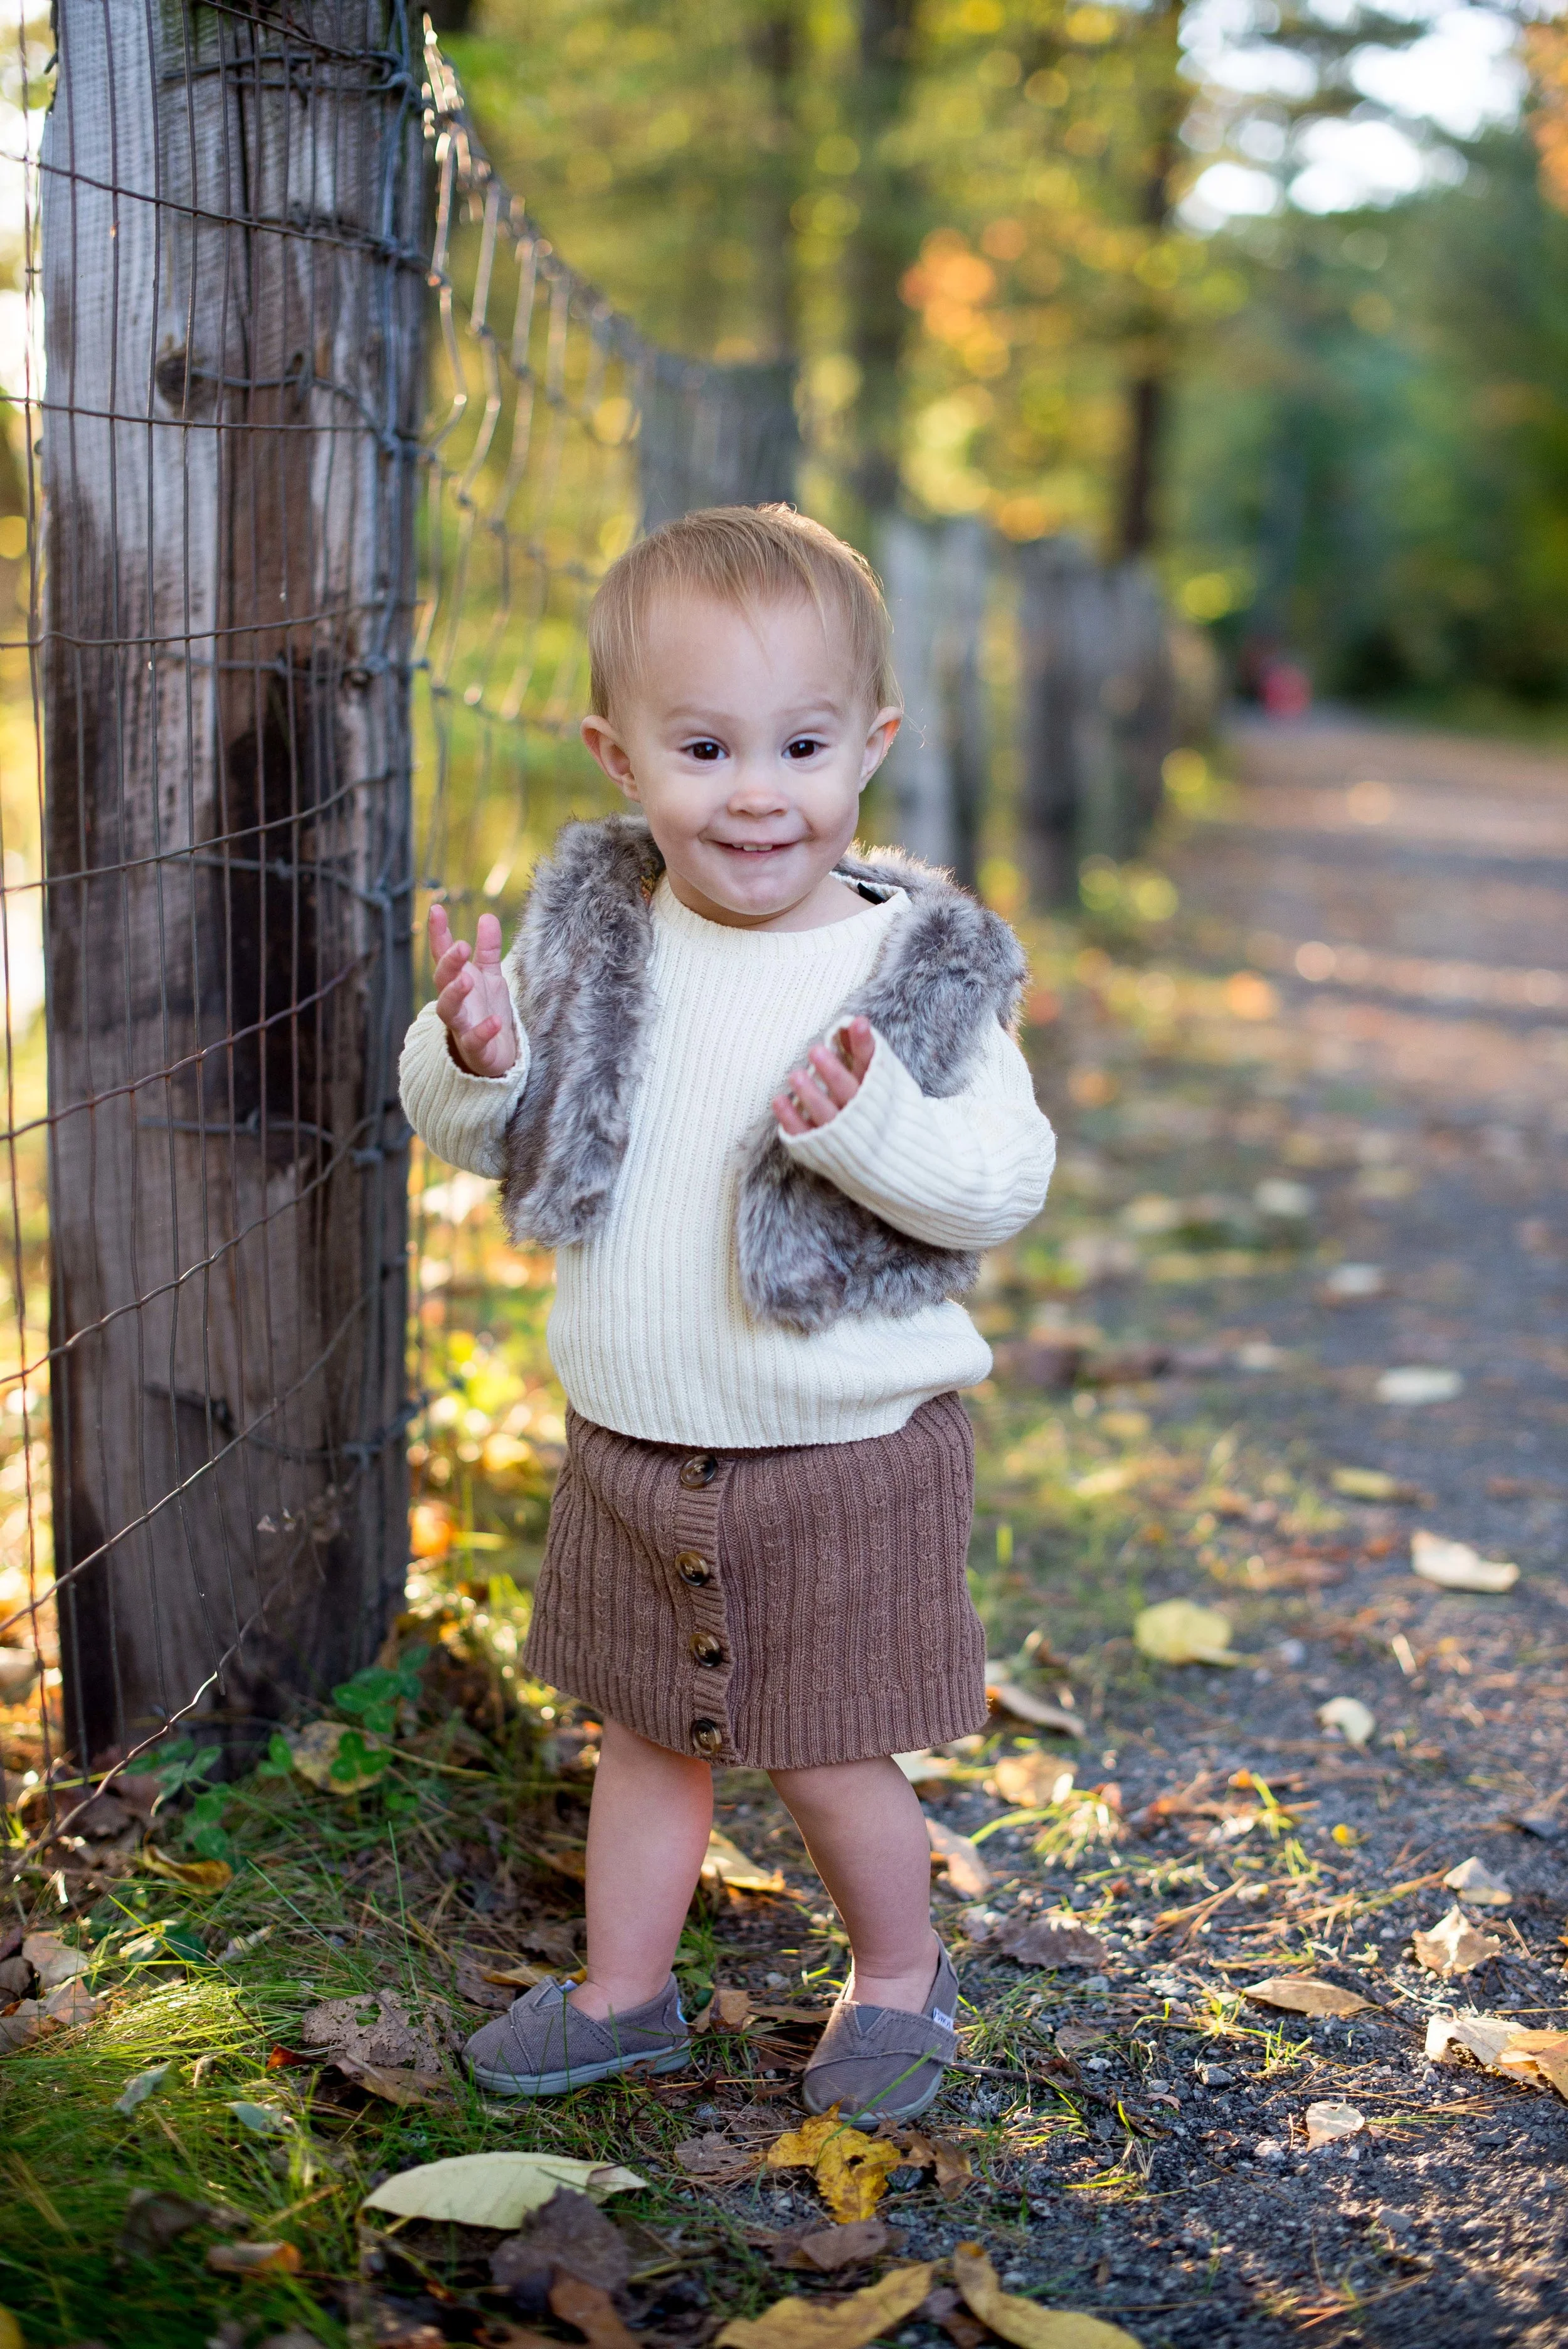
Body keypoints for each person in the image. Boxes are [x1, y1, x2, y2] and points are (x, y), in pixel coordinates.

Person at [398, 504, 1056, 2121]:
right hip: (633, 1445)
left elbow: (998, 1183)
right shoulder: (599, 944)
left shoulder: (921, 976)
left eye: (800, 747)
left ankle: (897, 1974)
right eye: (704, 749)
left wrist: (869, 1129)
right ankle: (625, 1993)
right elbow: (486, 1129)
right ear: (618, 757)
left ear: (870, 748)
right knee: (645, 1736)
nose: (757, 792)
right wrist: (477, 1054)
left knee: (826, 1747)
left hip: (840, 1456)